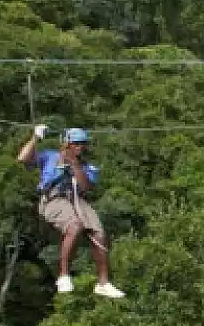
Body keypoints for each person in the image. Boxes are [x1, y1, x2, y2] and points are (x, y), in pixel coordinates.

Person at [17, 125, 125, 299]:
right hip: (53, 199)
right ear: (66, 144)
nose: (80, 147)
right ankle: (64, 275)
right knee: (75, 226)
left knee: (99, 234)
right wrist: (35, 138)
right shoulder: (50, 157)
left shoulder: (88, 167)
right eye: (76, 144)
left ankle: (103, 283)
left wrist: (74, 164)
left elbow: (85, 187)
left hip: (77, 200)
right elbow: (22, 159)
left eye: (82, 144)